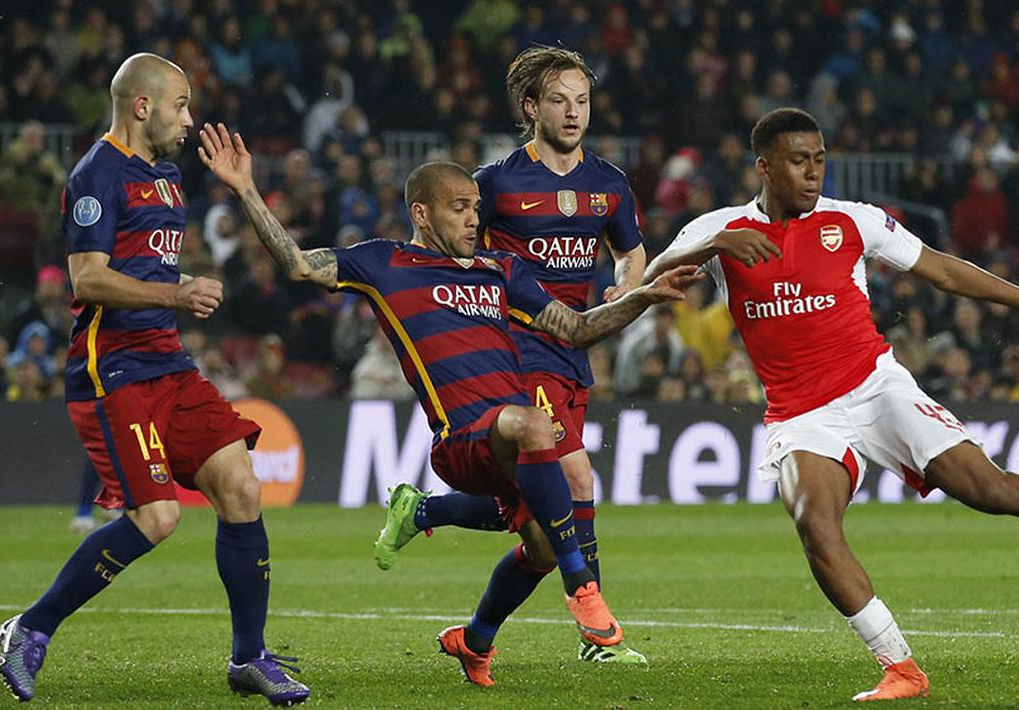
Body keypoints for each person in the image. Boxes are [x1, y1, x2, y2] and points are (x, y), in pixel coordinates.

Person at [643, 108, 1019, 702]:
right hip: (800, 413)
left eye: (819, 159)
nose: (813, 172)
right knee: (814, 524)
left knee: (984, 488)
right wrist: (714, 242)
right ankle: (901, 668)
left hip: (876, 386)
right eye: (797, 161)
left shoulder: (854, 222)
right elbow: (654, 275)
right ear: (764, 166)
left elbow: (942, 269)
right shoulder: (722, 229)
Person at [198, 119, 700, 687]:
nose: (473, 218)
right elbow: (296, 262)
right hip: (463, 438)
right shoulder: (384, 264)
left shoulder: (500, 269)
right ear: (422, 213)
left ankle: (474, 639)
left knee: (536, 546)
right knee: (543, 432)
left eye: (475, 207)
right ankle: (583, 587)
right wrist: (245, 190)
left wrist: (641, 297)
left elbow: (577, 328)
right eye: (459, 207)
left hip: (510, 439)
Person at [0, 54, 308, 706]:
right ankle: (31, 627)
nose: (190, 120)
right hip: (114, 372)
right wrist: (176, 292)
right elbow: (87, 278)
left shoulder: (166, 178)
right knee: (158, 516)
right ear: (143, 106)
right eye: (182, 105)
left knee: (241, 487)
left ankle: (249, 657)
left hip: (169, 365)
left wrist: (241, 191)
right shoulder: (95, 175)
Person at [373, 44, 650, 665]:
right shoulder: (495, 184)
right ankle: (593, 624)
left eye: (582, 99)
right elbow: (453, 247)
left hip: (573, 346)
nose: (574, 112)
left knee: (532, 511)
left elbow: (630, 251)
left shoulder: (609, 184)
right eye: (559, 100)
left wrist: (625, 282)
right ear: (531, 108)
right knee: (576, 477)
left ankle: (430, 526)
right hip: (518, 352)